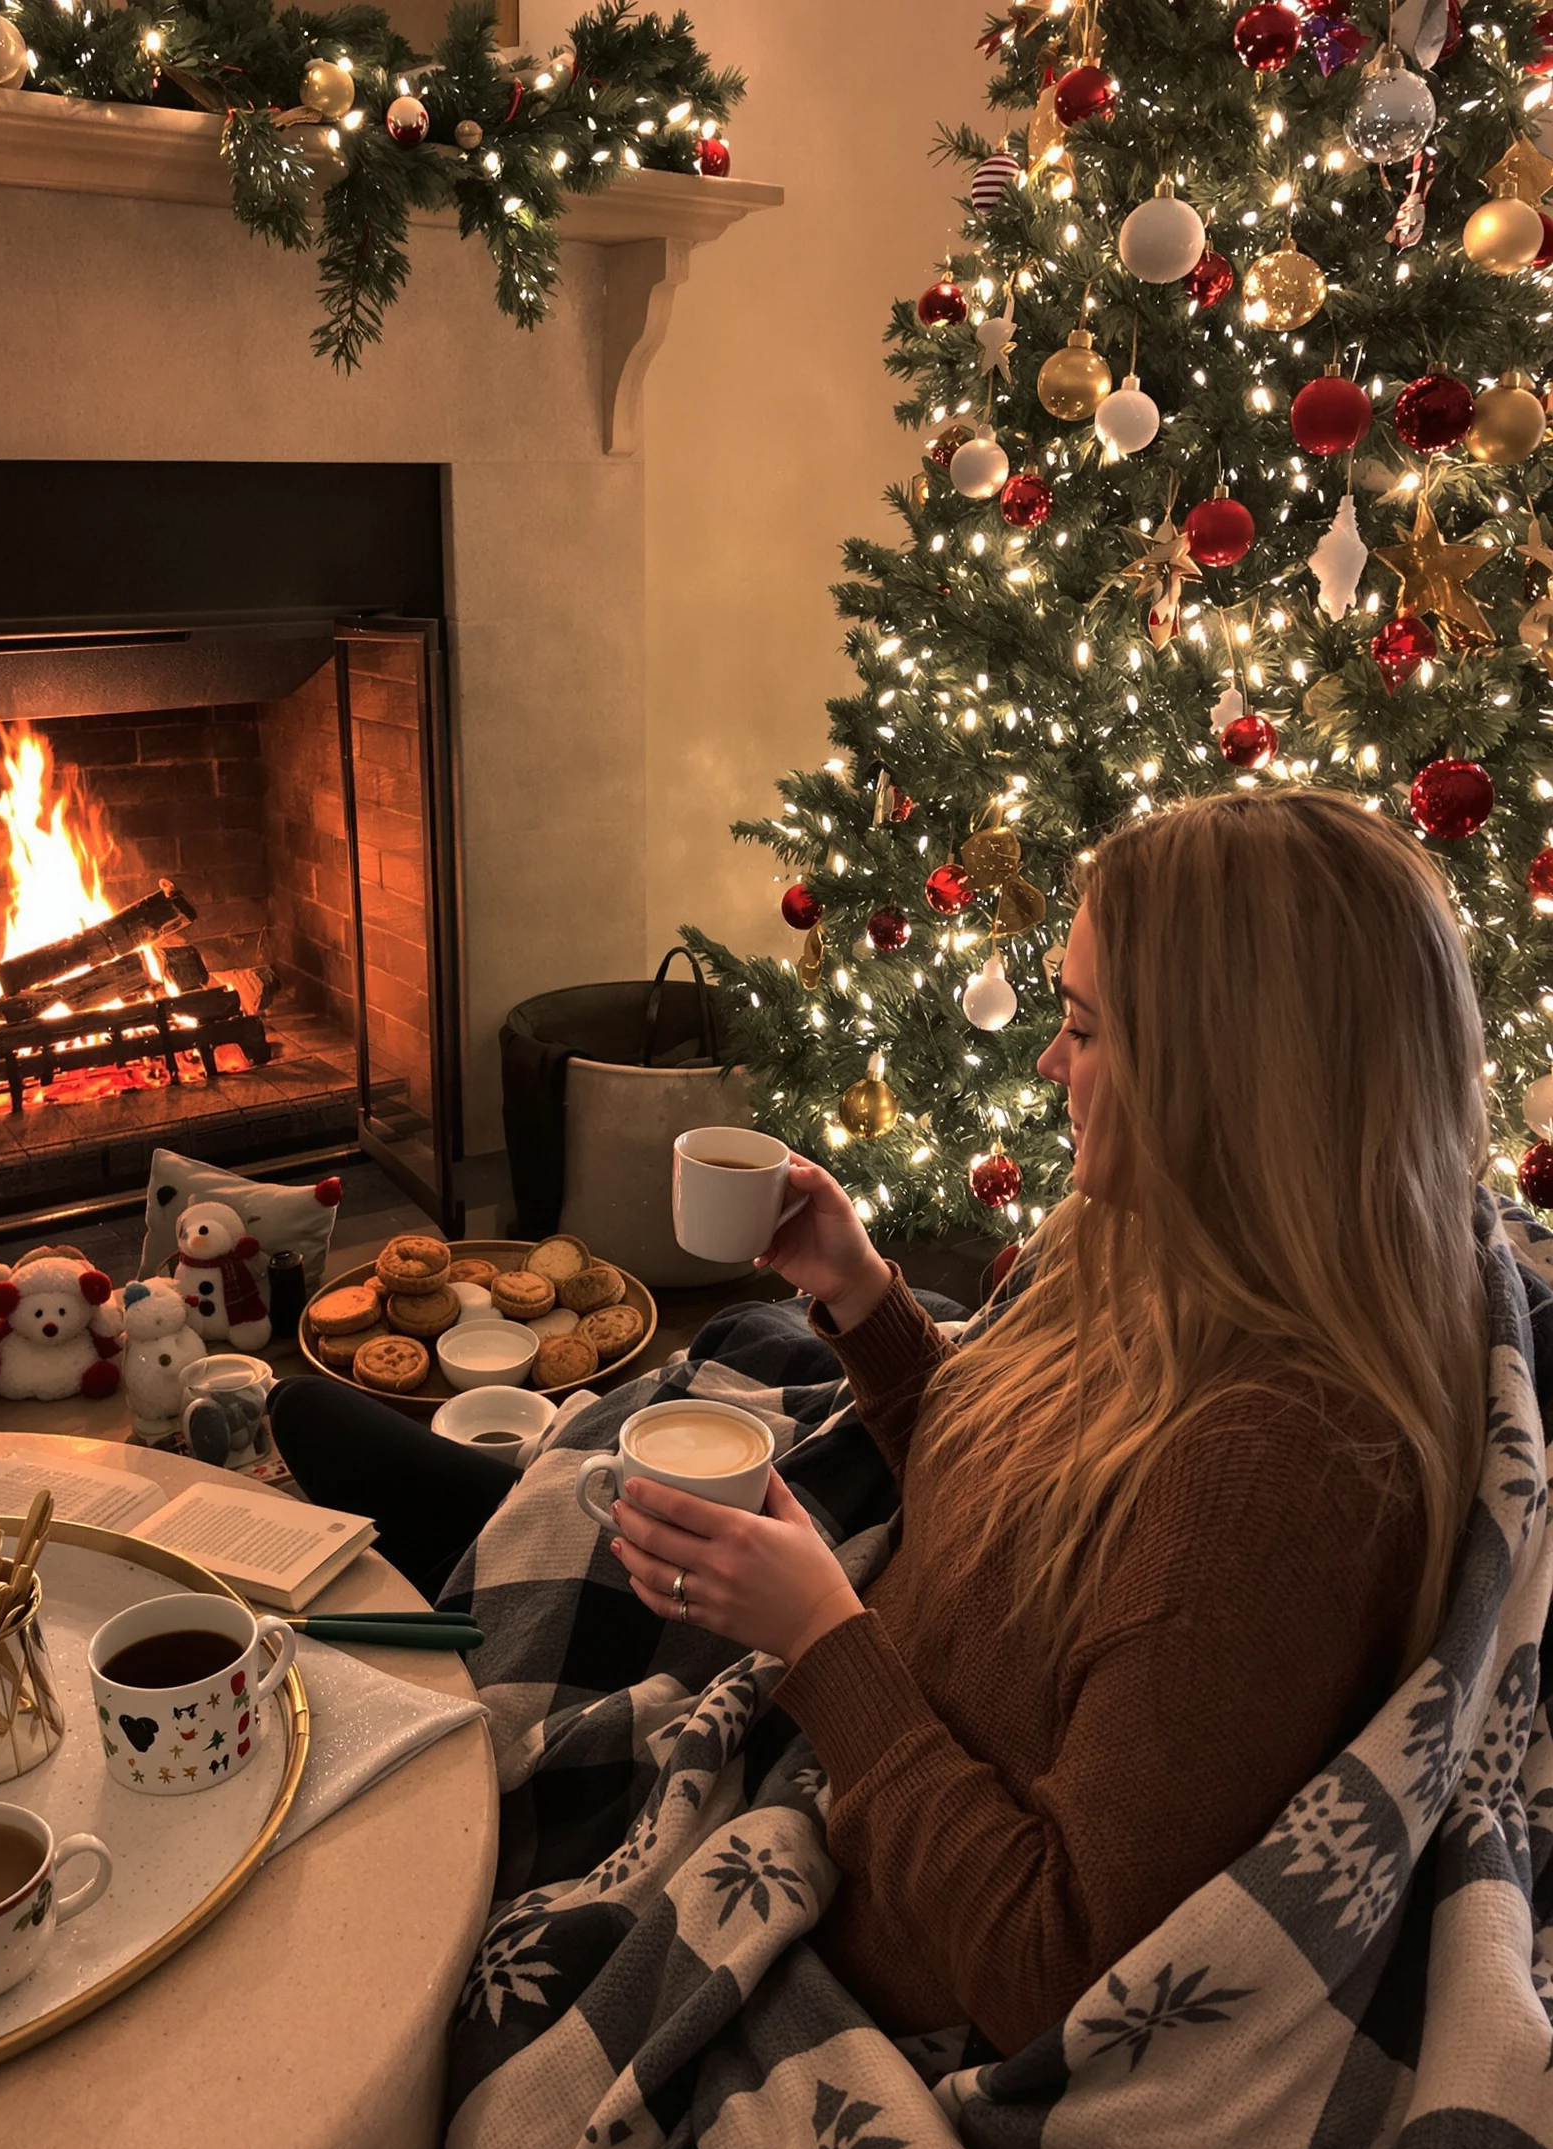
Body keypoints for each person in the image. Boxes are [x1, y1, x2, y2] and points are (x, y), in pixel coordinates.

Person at [277, 788, 1490, 2055]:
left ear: (1228, 1075)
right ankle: (496, 1524)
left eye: (1080, 1027)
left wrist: (819, 1639)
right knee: (613, 1453)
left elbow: (1046, 1970)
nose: (1047, 1062)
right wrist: (861, 1296)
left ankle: (475, 1547)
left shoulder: (1276, 1480)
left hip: (882, 1878)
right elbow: (1014, 1513)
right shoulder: (1149, 1246)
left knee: (445, 1853)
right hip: (881, 1686)